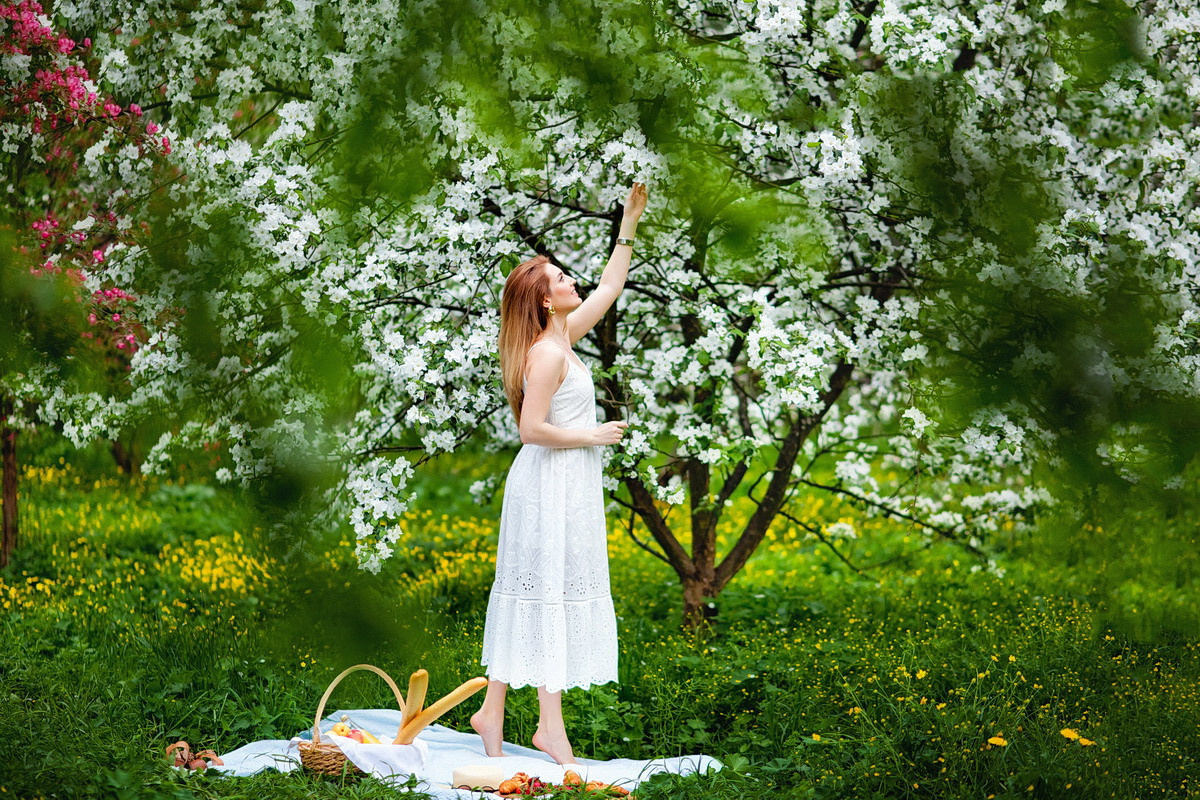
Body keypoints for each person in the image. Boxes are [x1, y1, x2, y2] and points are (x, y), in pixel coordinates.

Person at [471, 183, 649, 766]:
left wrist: (628, 224)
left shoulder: (563, 339)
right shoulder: (547, 355)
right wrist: (591, 435)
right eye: (560, 280)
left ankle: (495, 714)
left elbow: (611, 286)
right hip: (547, 483)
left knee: (547, 590)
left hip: (565, 486)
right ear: (546, 302)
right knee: (542, 591)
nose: (572, 282)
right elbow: (531, 428)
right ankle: (549, 730)